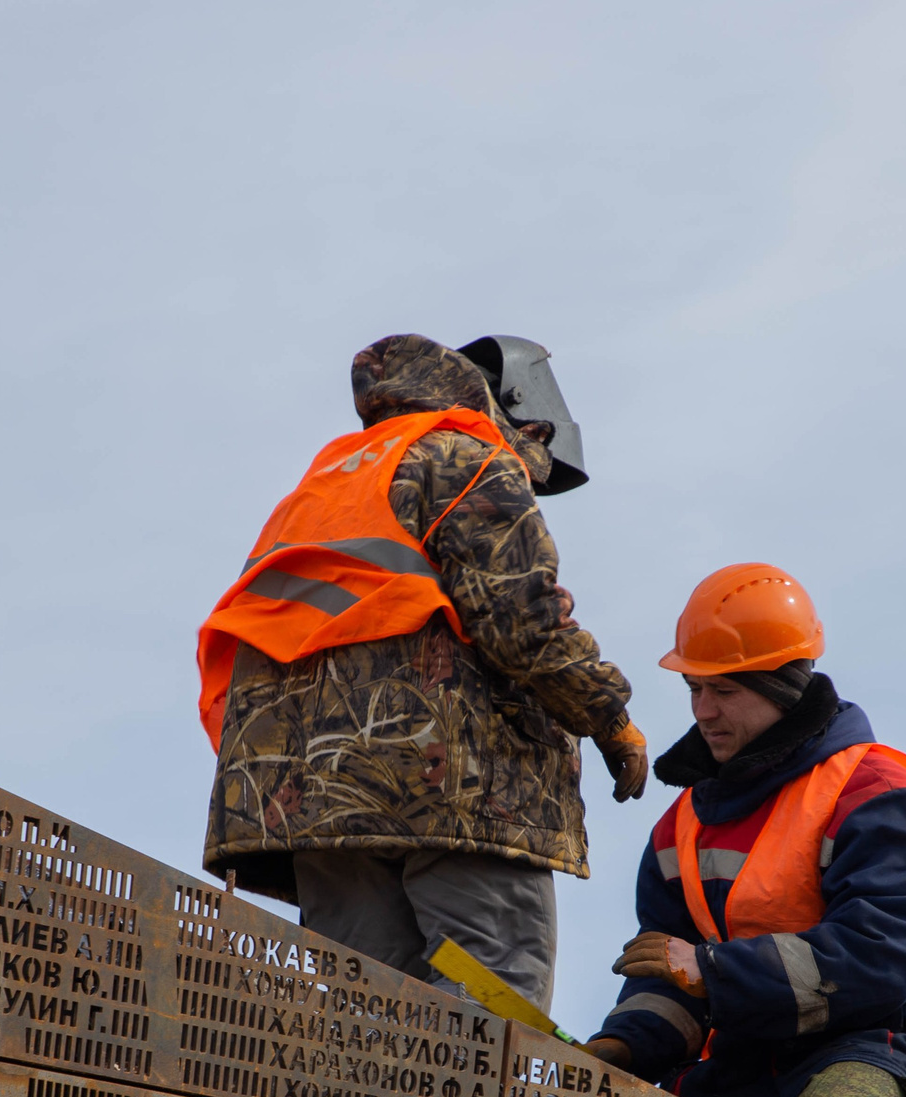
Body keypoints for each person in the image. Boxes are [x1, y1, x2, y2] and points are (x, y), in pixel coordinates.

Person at [199, 334, 646, 1010]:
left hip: (311, 797)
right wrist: (608, 718)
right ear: (524, 420)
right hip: (448, 787)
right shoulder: (468, 457)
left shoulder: (325, 483)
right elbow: (521, 620)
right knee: (489, 994)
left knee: (362, 1017)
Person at [581, 564, 906, 1097]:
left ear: (782, 688)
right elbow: (669, 976)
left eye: (723, 690)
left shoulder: (875, 787)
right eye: (694, 688)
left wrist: (710, 970)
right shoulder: (680, 827)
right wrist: (621, 1047)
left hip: (904, 1040)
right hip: (758, 1057)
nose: (702, 710)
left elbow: (878, 957)